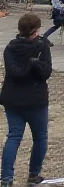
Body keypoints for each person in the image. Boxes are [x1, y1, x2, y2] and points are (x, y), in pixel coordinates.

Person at [0, 12, 52, 186]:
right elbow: (44, 73)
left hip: (13, 100)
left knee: (14, 136)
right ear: (35, 30)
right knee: (40, 137)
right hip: (35, 100)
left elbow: (13, 72)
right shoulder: (41, 46)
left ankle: (6, 179)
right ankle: (33, 175)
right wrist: (33, 64)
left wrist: (33, 65)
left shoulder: (10, 48)